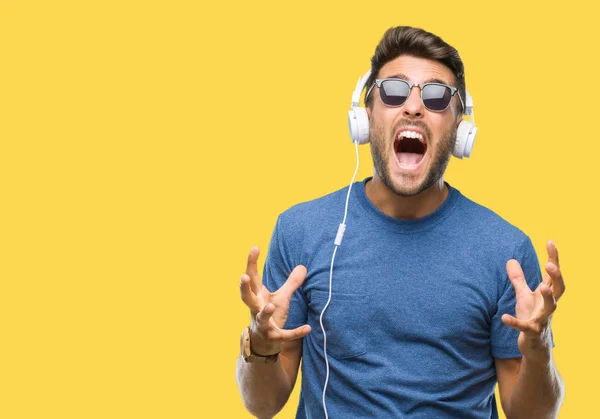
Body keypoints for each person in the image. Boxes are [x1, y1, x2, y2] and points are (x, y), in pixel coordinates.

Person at [235, 26, 565, 418]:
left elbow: (532, 414)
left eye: (437, 96)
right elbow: (263, 404)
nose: (413, 107)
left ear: (460, 127)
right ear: (366, 114)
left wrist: (538, 349)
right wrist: (261, 345)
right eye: (394, 90)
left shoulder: (505, 252)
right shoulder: (301, 231)